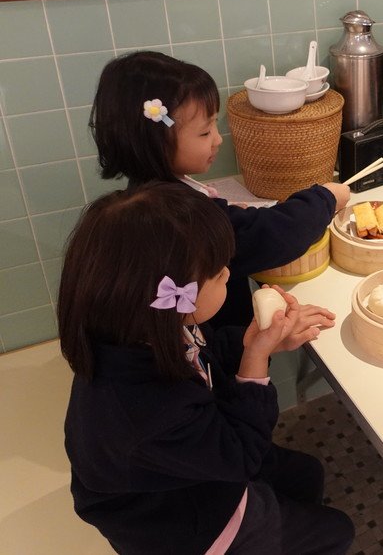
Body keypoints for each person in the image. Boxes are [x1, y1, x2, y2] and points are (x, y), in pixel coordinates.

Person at [59, 182, 355, 554]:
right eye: (218, 272)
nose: (229, 274)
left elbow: (207, 351)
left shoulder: (148, 330)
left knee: (306, 474)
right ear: (174, 297)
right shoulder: (146, 412)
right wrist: (255, 361)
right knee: (337, 532)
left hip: (196, 461)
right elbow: (241, 455)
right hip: (187, 525)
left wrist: (254, 341)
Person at [90, 50, 350, 329]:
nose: (218, 140)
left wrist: (226, 213)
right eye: (205, 132)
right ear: (155, 141)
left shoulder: (147, 194)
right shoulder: (180, 218)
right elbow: (273, 235)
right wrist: (326, 198)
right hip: (222, 344)